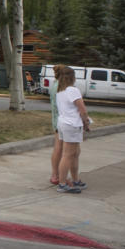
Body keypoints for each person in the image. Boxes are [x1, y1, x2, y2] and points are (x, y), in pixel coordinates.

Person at [55, 66, 91, 194]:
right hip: (72, 125)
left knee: (75, 153)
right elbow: (83, 110)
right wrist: (86, 123)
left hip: (63, 124)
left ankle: (75, 179)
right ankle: (63, 184)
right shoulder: (73, 90)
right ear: (72, 77)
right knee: (68, 155)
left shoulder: (60, 91)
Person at [48, 64, 68, 186]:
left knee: (59, 147)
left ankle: (56, 174)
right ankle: (57, 175)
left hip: (57, 120)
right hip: (62, 120)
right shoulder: (61, 86)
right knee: (61, 148)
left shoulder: (55, 84)